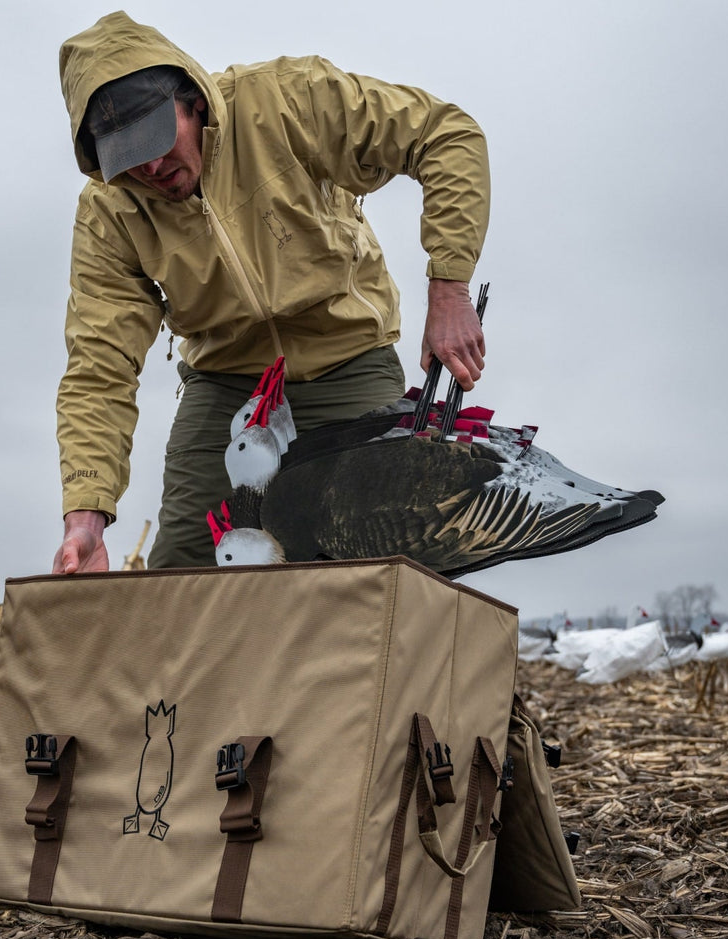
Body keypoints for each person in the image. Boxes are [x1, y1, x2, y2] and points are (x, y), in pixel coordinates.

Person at [51, 11, 490, 575]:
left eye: (158, 138)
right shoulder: (108, 213)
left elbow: (446, 134)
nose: (153, 166)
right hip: (225, 382)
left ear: (195, 101)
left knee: (382, 561)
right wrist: (85, 517)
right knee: (181, 572)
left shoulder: (288, 100)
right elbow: (98, 366)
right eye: (128, 156)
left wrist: (450, 288)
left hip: (348, 360)